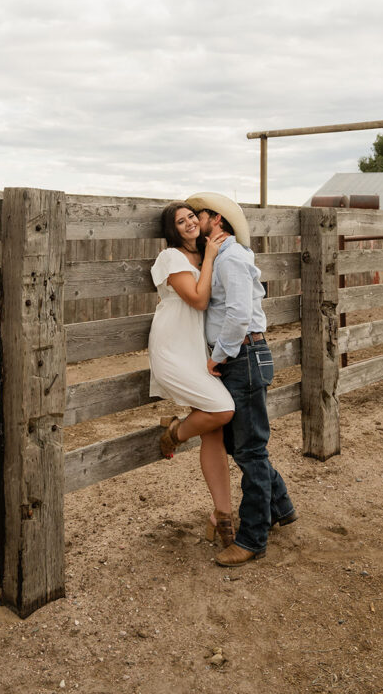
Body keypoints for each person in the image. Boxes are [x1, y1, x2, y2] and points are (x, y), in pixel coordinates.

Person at [186, 191, 297, 567]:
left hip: (241, 354)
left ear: (215, 219)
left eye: (198, 215)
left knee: (249, 450)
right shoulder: (226, 256)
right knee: (243, 445)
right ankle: (281, 506)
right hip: (245, 354)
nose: (194, 221)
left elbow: (237, 315)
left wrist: (216, 358)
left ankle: (252, 538)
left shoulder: (231, 258)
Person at [148, 202, 236, 548]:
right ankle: (175, 432)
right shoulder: (170, 258)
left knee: (215, 429)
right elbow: (199, 300)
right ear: (172, 230)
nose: (187, 224)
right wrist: (212, 255)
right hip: (171, 347)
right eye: (180, 221)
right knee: (222, 409)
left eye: (190, 218)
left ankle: (223, 516)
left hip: (196, 349)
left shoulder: (204, 254)